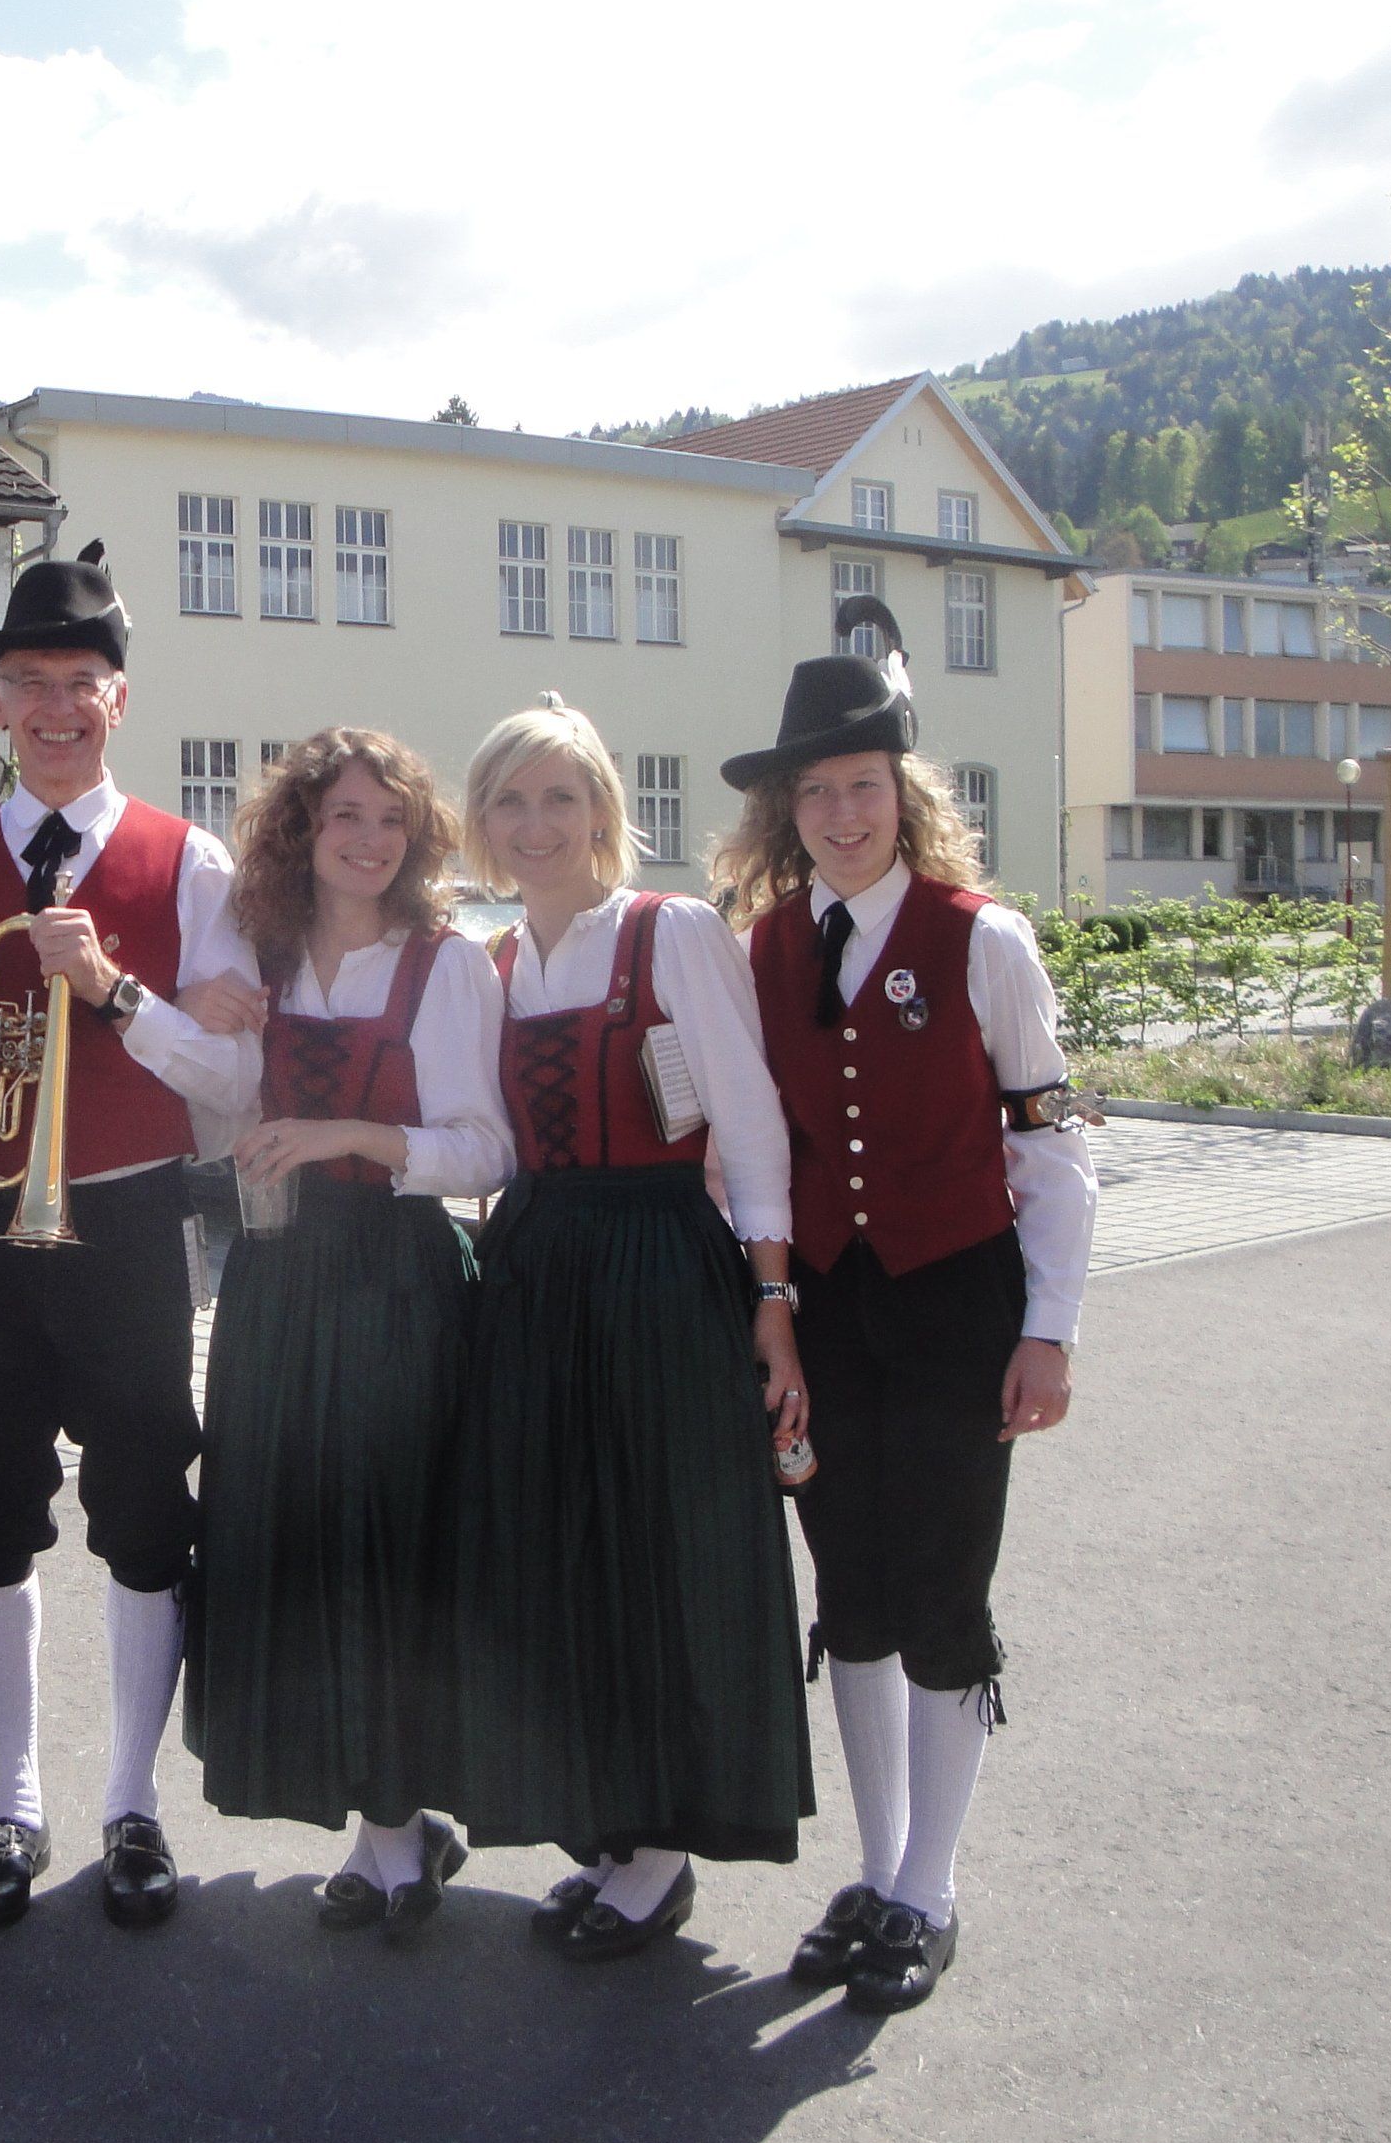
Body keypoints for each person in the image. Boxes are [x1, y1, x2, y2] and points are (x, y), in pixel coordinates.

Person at [715, 633, 1096, 2015]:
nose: (841, 812)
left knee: (942, 1594)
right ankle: (876, 1873)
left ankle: (931, 1887)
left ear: (904, 790)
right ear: (788, 808)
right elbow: (747, 1147)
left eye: (863, 784)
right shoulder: (759, 950)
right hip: (825, 1306)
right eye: (816, 790)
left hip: (954, 1301)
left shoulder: (981, 939)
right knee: (853, 1594)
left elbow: (1050, 1147)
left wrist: (1049, 1326)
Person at [0, 543, 262, 1932]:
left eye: (79, 683)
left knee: (145, 1510)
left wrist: (116, 994)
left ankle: (131, 1802)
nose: (54, 708)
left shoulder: (191, 861)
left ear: (120, 699)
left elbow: (234, 1079)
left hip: (129, 1218)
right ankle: (14, 1801)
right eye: (27, 683)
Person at [444, 696, 814, 1961]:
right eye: (510, 800)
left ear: (604, 809)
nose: (535, 823)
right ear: (483, 822)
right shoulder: (495, 960)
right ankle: (609, 1826)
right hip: (538, 1267)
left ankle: (660, 1853)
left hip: (657, 1261)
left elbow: (750, 1129)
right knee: (563, 1550)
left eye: (561, 797)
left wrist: (772, 1298)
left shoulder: (673, 933)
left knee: (659, 1546)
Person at [182, 728, 511, 1941]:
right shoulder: (262, 963)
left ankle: (396, 1832)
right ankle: (388, 1828)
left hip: (396, 1280)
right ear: (301, 831)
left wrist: (347, 1137)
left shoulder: (446, 965)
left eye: (391, 821)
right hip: (278, 1278)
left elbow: (487, 1151)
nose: (369, 842)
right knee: (301, 1544)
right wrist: (174, 1015)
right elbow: (211, 1105)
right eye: (345, 818)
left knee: (386, 1543)